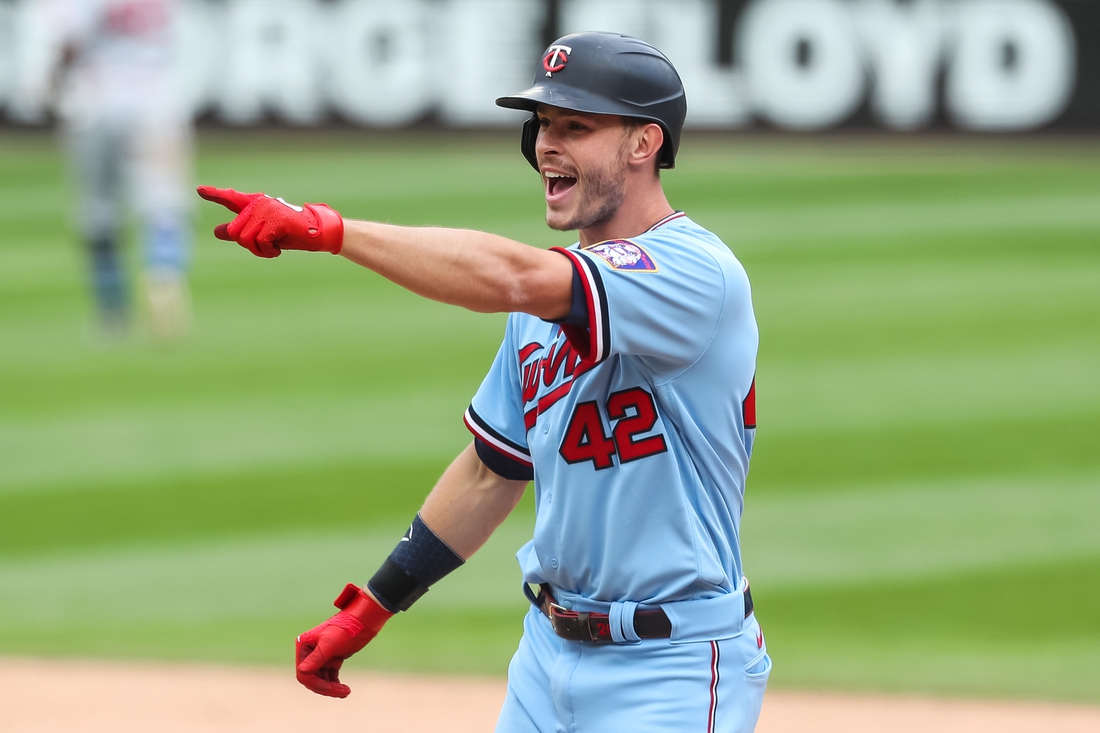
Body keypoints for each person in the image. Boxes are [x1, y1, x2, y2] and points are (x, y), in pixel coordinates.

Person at [199, 32, 768, 733]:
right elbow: (490, 471)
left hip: (671, 668)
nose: (546, 146)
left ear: (643, 143)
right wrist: (374, 605)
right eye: (544, 126)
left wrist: (329, 230)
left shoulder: (695, 273)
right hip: (546, 656)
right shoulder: (543, 308)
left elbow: (512, 275)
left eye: (576, 127)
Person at [47, 0, 193, 341]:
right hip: (158, 102)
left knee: (99, 209)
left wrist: (52, 81)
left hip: (96, 103)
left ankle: (112, 311)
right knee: (164, 202)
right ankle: (163, 271)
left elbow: (70, 38)